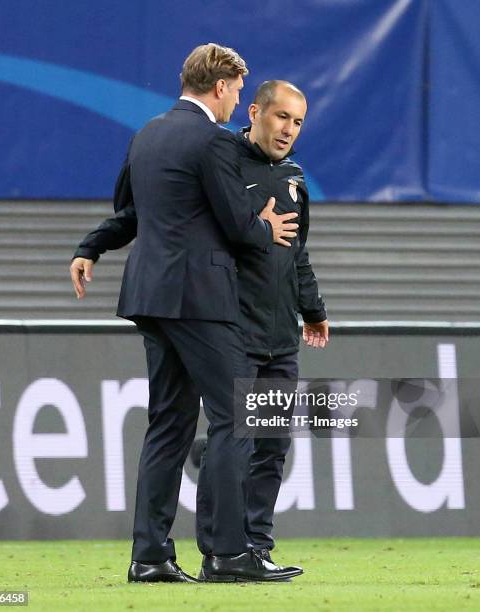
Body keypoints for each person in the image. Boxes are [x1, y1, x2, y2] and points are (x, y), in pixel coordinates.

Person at [70, 44, 301, 583]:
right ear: (221, 87)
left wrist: (90, 247)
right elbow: (241, 228)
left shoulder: (147, 134)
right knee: (235, 419)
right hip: (200, 298)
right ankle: (226, 553)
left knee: (168, 427)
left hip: (150, 296)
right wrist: (265, 225)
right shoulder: (213, 142)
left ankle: (149, 556)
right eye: (238, 92)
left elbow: (132, 213)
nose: (236, 101)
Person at [195, 81, 329, 578]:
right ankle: (219, 550)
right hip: (235, 331)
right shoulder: (225, 162)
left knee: (271, 444)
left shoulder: (295, 177)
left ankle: (256, 546)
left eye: (297, 122)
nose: (288, 130)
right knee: (235, 439)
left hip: (280, 337)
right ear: (255, 112)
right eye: (281, 117)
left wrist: (312, 309)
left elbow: (298, 254)